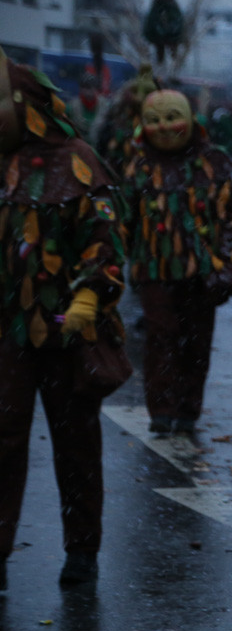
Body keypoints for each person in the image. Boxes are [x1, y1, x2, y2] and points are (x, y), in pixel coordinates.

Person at [0, 50, 127, 588]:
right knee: (2, 441)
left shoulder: (78, 159)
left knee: (75, 441)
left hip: (68, 331)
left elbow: (105, 236)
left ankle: (82, 550)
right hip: (6, 331)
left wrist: (90, 295)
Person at [122, 89, 232, 436]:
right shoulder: (139, 167)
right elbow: (123, 220)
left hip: (201, 273)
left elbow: (230, 218)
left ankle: (188, 408)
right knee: (161, 338)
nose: (164, 127)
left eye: (172, 117)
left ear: (191, 119)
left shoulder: (213, 163)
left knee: (196, 342)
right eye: (154, 120)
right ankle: (162, 410)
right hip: (154, 270)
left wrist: (230, 264)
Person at [142, 0, 185, 65]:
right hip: (159, 37)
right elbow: (153, 21)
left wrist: (172, 30)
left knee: (173, 57)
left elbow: (177, 19)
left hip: (172, 36)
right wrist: (160, 31)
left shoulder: (171, 4)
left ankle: (172, 68)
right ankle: (162, 68)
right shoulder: (158, 5)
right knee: (160, 55)